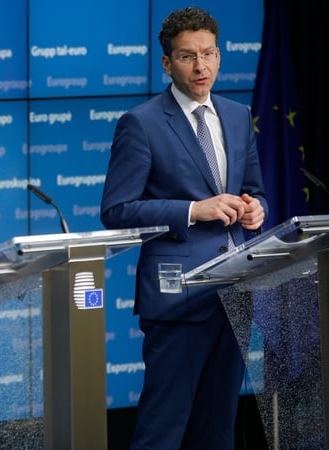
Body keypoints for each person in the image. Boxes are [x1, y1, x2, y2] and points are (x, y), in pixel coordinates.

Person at [100, 7, 267, 450]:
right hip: (178, 301)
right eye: (188, 56)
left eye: (209, 54)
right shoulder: (142, 123)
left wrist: (256, 211)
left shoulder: (236, 115)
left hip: (233, 293)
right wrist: (195, 210)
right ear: (166, 63)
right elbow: (116, 210)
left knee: (217, 431)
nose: (201, 67)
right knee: (162, 431)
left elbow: (255, 190)